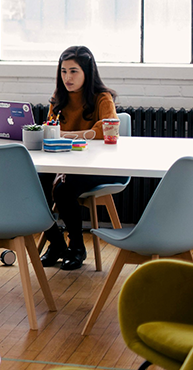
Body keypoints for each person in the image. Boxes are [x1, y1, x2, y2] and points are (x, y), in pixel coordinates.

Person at [39, 45, 127, 271]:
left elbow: (108, 128)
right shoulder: (58, 99)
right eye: (63, 71)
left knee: (62, 189)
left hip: (98, 166)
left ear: (87, 72)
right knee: (33, 185)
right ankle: (56, 242)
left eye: (74, 71)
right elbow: (51, 129)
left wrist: (70, 135)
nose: (67, 77)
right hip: (64, 163)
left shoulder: (101, 98)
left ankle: (76, 247)